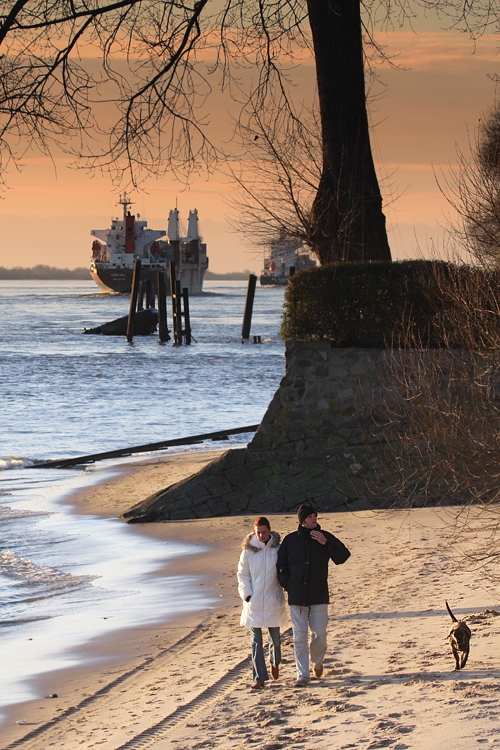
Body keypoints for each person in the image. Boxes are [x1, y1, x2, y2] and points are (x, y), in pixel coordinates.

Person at [277, 504, 350, 687]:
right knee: (299, 637)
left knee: (319, 635)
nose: (314, 519)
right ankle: (302, 675)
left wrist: (326, 543)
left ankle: (317, 661)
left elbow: (343, 557)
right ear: (302, 521)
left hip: (319, 595)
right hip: (297, 597)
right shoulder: (290, 540)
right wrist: (288, 585)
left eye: (315, 516)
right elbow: (281, 566)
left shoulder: (325, 537)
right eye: (310, 517)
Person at [237, 516, 288, 689]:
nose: (261, 535)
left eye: (264, 532)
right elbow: (242, 575)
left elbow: (284, 571)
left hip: (273, 600)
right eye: (258, 533)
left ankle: (275, 662)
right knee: (256, 642)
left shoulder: (278, 549)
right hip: (254, 602)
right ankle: (259, 677)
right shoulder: (248, 551)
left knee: (275, 641)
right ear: (254, 532)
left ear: (269, 531)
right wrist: (247, 595)